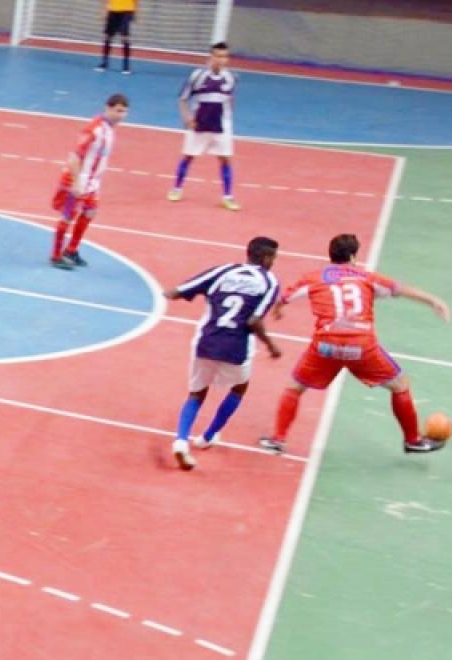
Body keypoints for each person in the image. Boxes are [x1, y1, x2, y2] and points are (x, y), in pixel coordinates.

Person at [260, 234, 450, 455]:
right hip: (361, 347)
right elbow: (400, 289)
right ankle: (412, 440)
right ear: (352, 256)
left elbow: (283, 298)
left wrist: (278, 310)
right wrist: (434, 300)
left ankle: (278, 439)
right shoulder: (367, 278)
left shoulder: (313, 278)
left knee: (295, 387)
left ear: (330, 255)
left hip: (326, 346)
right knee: (400, 385)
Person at [165, 237, 282, 470]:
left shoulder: (222, 271)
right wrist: (271, 346)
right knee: (239, 388)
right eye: (273, 258)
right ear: (266, 258)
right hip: (236, 346)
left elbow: (176, 292)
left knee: (196, 394)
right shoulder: (269, 281)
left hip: (206, 341)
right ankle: (208, 436)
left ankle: (181, 441)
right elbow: (254, 320)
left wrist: (162, 295)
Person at [50, 93, 129, 270]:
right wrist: (76, 182)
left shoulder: (109, 130)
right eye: (118, 111)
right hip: (78, 180)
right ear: (108, 108)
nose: (121, 116)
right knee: (67, 216)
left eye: (124, 112)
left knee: (90, 212)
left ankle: (71, 250)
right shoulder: (94, 129)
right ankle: (56, 256)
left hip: (92, 183)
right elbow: (74, 157)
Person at [167, 42, 239, 211]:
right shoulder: (197, 76)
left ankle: (228, 197)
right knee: (188, 156)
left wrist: (228, 118)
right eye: (218, 56)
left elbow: (231, 98)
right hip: (199, 124)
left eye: (224, 56)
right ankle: (176, 188)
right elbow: (183, 98)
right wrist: (187, 118)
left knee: (225, 159)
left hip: (221, 126)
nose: (221, 60)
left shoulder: (232, 78)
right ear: (211, 57)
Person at [95, 0, 137, 74]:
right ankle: (104, 63)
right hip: (113, 10)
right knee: (108, 36)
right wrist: (105, 11)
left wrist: (135, 12)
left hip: (127, 10)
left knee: (124, 37)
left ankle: (126, 66)